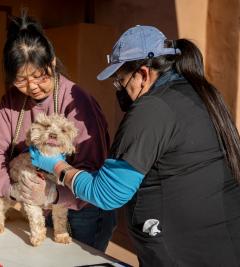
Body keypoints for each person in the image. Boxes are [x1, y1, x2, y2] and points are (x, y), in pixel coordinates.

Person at [26, 25, 240, 266]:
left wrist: (58, 167)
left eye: (120, 81)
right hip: (222, 245)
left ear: (144, 74)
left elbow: (107, 194)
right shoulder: (200, 94)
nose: (120, 89)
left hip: (185, 255)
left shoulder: (152, 109)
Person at [0, 13, 116, 252]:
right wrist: (8, 189)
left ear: (51, 63)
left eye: (38, 76)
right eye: (21, 80)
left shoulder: (78, 101)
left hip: (81, 210)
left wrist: (55, 195)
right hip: (36, 207)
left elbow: (93, 169)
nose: (31, 87)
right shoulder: (10, 102)